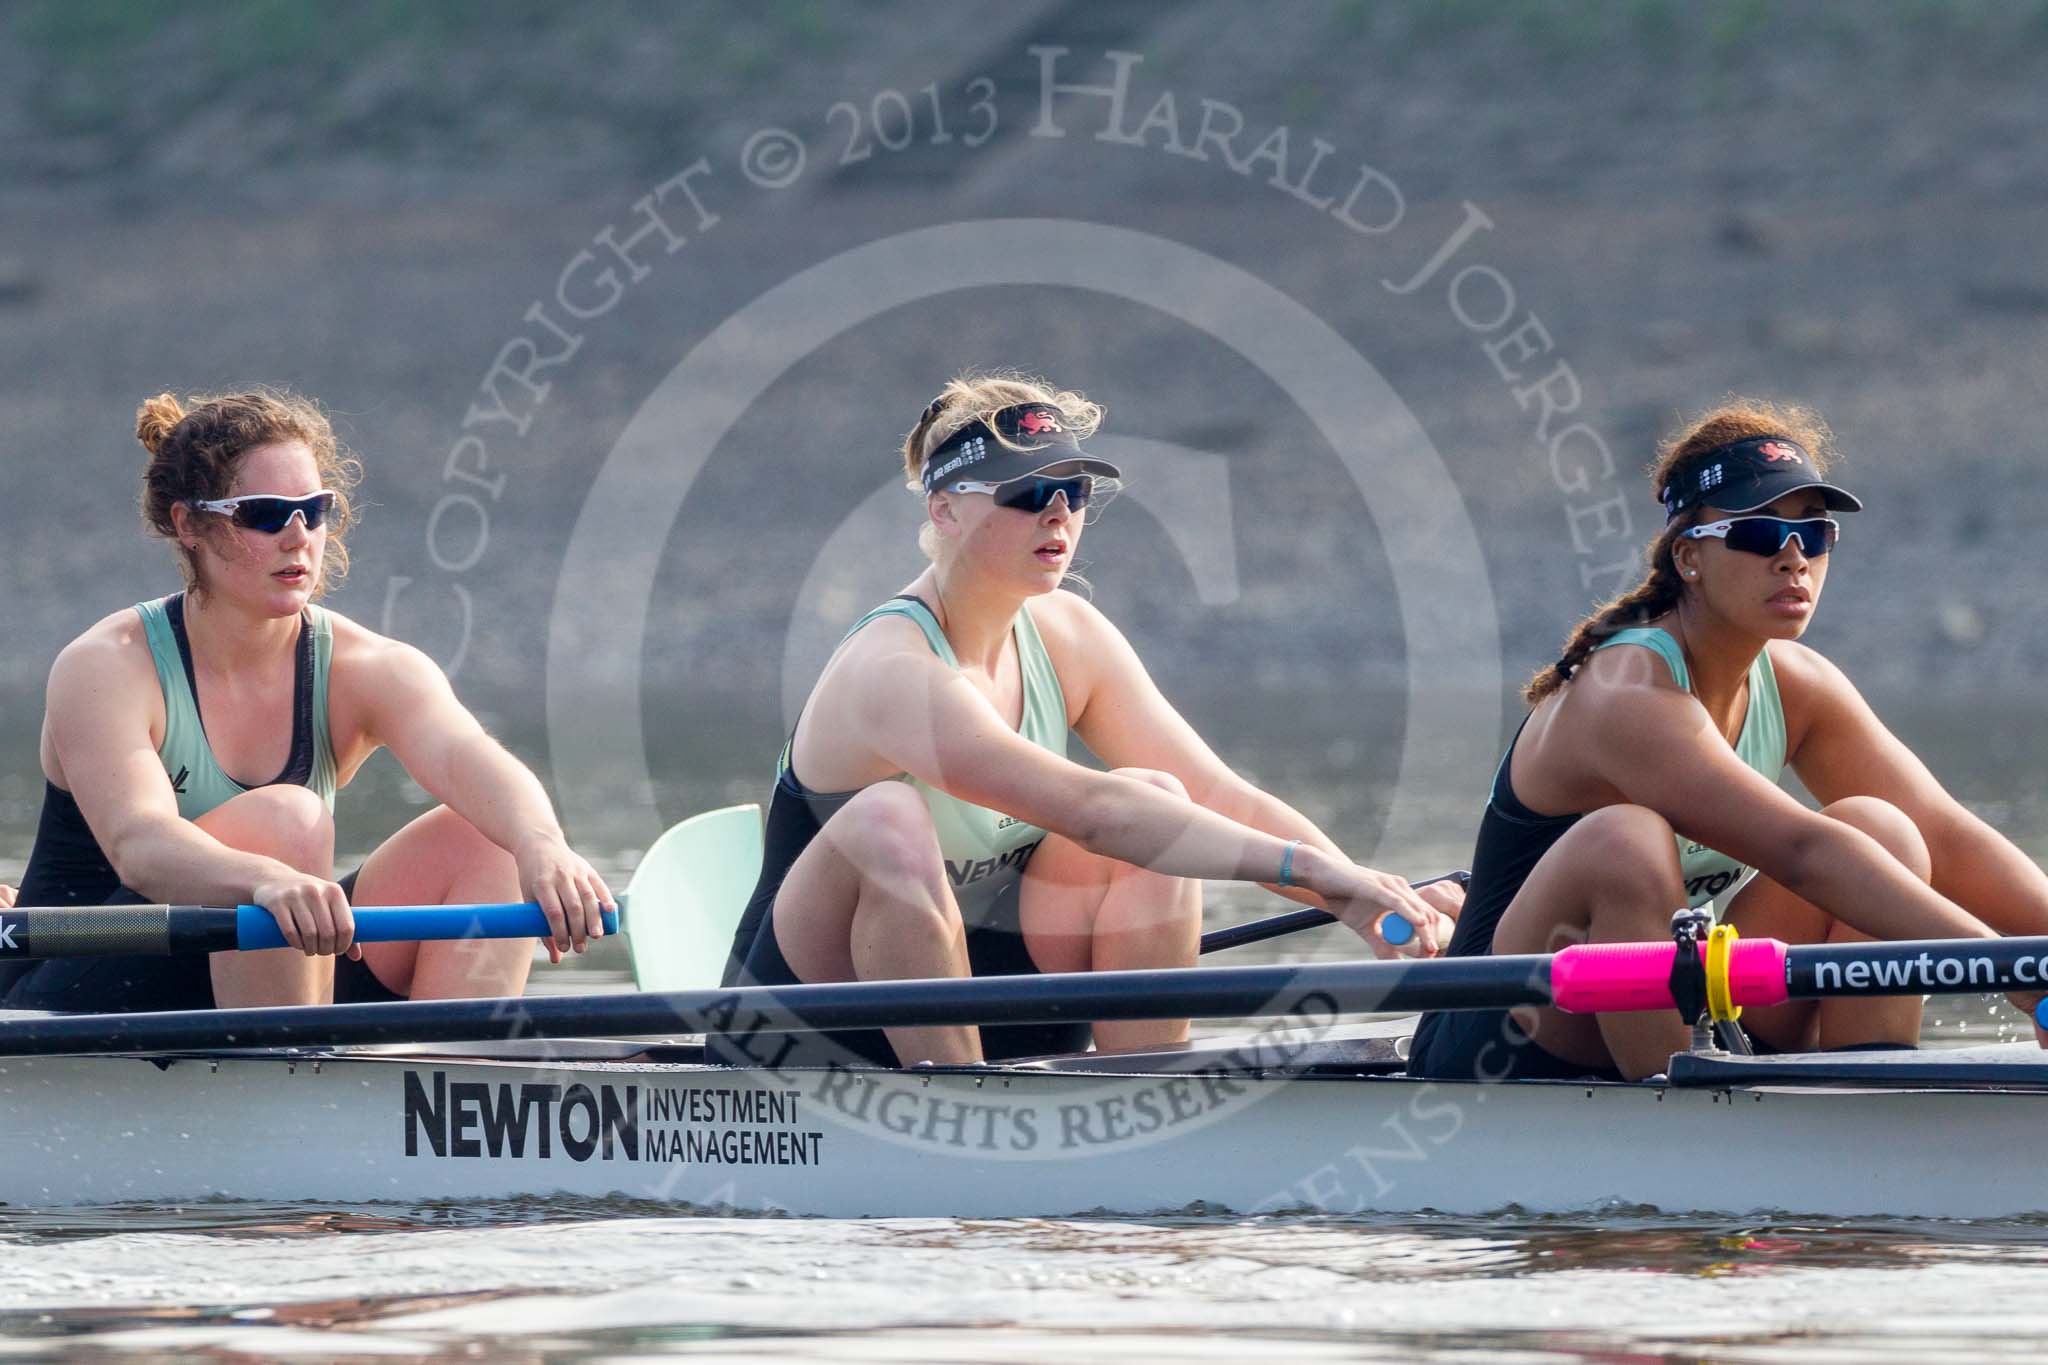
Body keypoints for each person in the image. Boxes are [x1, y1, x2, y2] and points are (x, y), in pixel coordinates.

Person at [709, 371, 1463, 1069]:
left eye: (1072, 490)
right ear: (945, 508)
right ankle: (964, 1134)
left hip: (989, 994)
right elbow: (1093, 812)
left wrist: (1366, 891)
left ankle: (1148, 1108)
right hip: (806, 1021)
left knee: (1161, 795)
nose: (1059, 513)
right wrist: (1323, 878)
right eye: (1027, 492)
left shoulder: (1069, 636)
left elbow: (1220, 797)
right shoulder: (893, 670)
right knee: (889, 818)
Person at [1407, 400, 2048, 1083]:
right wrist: (2022, 980)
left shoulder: (1798, 685)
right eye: (1759, 533)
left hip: (1679, 1006)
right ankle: (1687, 1127)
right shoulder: (1624, 691)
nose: (1793, 557)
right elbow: (1802, 854)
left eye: (1815, 533)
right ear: (1689, 557)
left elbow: (1947, 837)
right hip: (1502, 1031)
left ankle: (1876, 1099)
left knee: (1885, 828)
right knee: (1623, 838)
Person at [1, 389, 611, 1013]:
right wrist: (266, 878)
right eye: (264, 514)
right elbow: (142, 845)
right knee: (287, 824)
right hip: (74, 984)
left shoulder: (367, 665)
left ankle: (444, 1080)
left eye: (314, 510)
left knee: (488, 838)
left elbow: (465, 755)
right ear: (189, 526)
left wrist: (542, 845)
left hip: (267, 973)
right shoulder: (107, 666)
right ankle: (296, 1081)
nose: (298, 537)